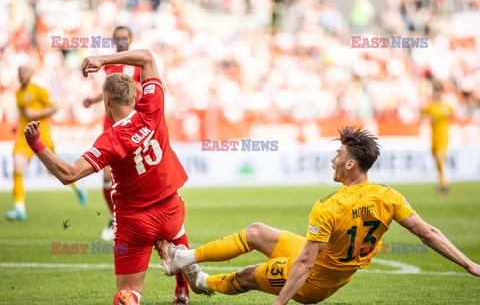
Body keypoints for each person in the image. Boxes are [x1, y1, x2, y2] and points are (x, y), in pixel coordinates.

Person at [159, 126, 480, 305]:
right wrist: (470, 264)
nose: (333, 160)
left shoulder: (330, 206)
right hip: (325, 266)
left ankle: (202, 281)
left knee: (247, 276)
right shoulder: (389, 196)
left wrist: (279, 304)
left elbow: (304, 264)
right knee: (256, 231)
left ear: (351, 164)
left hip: (313, 283)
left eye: (338, 155)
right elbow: (429, 233)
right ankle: (185, 259)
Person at [23, 49, 193, 304]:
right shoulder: (152, 107)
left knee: (128, 293)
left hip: (134, 224)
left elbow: (68, 174)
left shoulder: (110, 140)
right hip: (171, 212)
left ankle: (135, 295)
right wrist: (104, 59)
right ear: (135, 95)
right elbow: (147, 57)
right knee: (174, 221)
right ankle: (182, 286)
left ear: (107, 102)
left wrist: (36, 144)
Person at [5, 65, 87, 221]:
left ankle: (78, 187)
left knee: (55, 171)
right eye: (20, 72)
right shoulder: (18, 93)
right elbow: (24, 114)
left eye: (24, 72)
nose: (22, 75)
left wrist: (36, 114)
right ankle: (19, 207)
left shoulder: (39, 89)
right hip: (23, 137)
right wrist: (17, 125)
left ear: (30, 73)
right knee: (17, 167)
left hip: (41, 136)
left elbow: (55, 106)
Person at [83, 25, 141, 241]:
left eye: (124, 38)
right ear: (113, 40)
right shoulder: (109, 65)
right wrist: (92, 99)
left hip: (131, 125)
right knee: (107, 175)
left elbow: (144, 91)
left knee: (132, 173)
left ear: (131, 39)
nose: (121, 42)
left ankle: (133, 217)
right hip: (110, 124)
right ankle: (115, 217)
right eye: (118, 38)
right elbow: (109, 91)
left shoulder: (138, 65)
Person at [421, 81, 454, 193]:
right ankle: (442, 180)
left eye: (439, 91)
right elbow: (423, 115)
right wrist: (427, 117)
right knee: (437, 158)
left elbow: (453, 114)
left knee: (440, 156)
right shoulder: (430, 106)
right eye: (436, 91)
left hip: (443, 135)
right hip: (433, 136)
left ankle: (444, 181)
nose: (437, 94)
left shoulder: (446, 106)